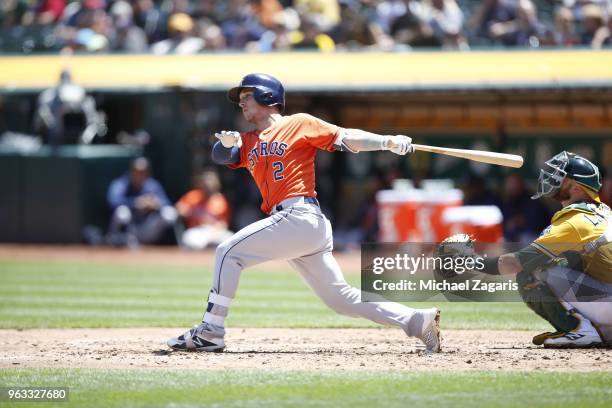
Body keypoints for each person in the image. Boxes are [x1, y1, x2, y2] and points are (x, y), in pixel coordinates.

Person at [167, 73, 441, 353]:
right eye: (240, 99)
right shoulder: (248, 139)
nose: (241, 103)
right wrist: (226, 145)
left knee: (228, 252)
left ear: (267, 96)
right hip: (298, 224)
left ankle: (211, 331)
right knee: (341, 300)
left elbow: (346, 138)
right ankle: (416, 320)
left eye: (246, 96)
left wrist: (387, 142)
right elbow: (221, 156)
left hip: (299, 215)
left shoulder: (298, 123)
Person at [449, 151, 611, 348]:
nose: (553, 178)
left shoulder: (575, 221)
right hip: (606, 299)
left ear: (576, 188)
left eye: (561, 176)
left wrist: (468, 260)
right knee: (563, 261)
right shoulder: (604, 212)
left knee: (531, 272)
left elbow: (514, 263)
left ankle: (580, 330)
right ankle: (601, 330)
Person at [107, 157, 177, 246]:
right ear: (131, 171)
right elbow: (113, 202)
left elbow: (166, 202)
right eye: (137, 171)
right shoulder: (121, 184)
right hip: (131, 226)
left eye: (143, 172)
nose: (140, 174)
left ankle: (169, 245)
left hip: (147, 227)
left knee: (169, 213)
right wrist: (135, 203)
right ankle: (116, 241)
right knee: (122, 212)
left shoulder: (153, 185)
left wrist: (156, 204)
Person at [32, 69, 104, 146]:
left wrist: (86, 136)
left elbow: (93, 122)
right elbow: (37, 124)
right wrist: (48, 121)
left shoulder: (81, 94)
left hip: (79, 139)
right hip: (55, 140)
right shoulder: (48, 97)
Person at [176, 170, 233, 250]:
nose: (207, 184)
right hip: (197, 231)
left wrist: (214, 230)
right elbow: (179, 208)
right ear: (201, 183)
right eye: (205, 181)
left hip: (214, 232)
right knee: (189, 239)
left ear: (216, 184)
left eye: (210, 181)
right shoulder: (193, 196)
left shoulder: (220, 200)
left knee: (230, 239)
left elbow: (224, 224)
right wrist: (193, 213)